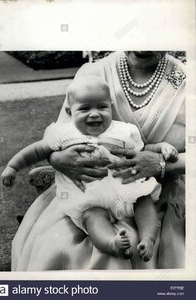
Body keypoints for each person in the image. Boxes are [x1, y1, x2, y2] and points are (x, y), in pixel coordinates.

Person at [11, 51, 185, 271]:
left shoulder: (186, 77)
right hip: (90, 190)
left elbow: (147, 148)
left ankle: (147, 239)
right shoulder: (93, 73)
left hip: (161, 191)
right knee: (66, 244)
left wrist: (162, 163)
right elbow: (56, 140)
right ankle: (110, 243)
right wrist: (58, 159)